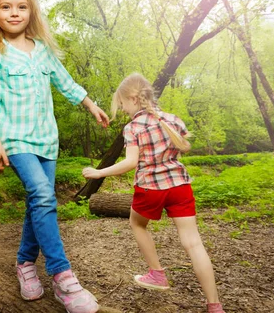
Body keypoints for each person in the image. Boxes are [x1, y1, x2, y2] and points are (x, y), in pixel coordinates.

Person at [0, 0, 109, 313]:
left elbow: (65, 81)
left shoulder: (43, 51)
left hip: (47, 141)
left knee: (39, 200)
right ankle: (63, 278)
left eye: (21, 6)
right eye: (6, 7)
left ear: (31, 11)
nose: (14, 12)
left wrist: (91, 104)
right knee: (42, 194)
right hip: (15, 139)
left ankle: (24, 264)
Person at [82, 73, 225, 313]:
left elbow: (130, 163)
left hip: (150, 188)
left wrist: (98, 173)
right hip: (180, 186)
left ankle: (157, 274)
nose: (124, 109)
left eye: (123, 104)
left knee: (137, 224)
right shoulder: (172, 119)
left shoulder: (134, 127)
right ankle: (215, 306)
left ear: (132, 99)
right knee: (193, 243)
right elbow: (185, 144)